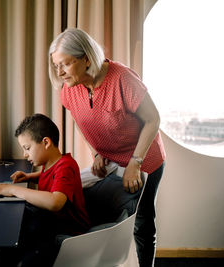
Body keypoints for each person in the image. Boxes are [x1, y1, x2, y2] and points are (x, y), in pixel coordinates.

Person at [48, 28, 166, 267]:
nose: (59, 73)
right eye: (55, 66)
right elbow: (83, 121)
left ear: (87, 59)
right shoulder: (70, 89)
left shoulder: (122, 78)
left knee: (142, 222)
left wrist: (135, 163)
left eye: (65, 64)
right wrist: (97, 153)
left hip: (144, 158)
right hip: (112, 159)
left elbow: (153, 119)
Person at [0, 113, 90, 267]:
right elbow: (50, 177)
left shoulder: (66, 166)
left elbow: (55, 202)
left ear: (46, 142)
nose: (24, 154)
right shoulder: (52, 163)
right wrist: (30, 177)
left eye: (27, 148)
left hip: (68, 233)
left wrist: (13, 190)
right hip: (51, 224)